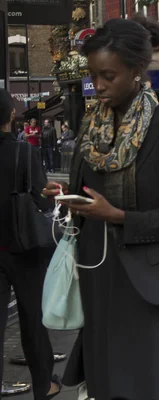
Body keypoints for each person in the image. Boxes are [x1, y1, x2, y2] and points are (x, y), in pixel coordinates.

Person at [43, 16, 159, 400]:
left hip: (150, 287)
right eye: (94, 75)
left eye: (108, 76)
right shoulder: (89, 127)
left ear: (135, 72)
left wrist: (116, 216)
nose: (97, 85)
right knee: (105, 389)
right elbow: (92, 191)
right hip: (99, 282)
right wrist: (69, 196)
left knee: (145, 388)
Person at [0, 89, 62, 399]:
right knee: (33, 319)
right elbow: (43, 202)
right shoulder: (25, 153)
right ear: (11, 116)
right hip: (25, 247)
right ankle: (43, 384)